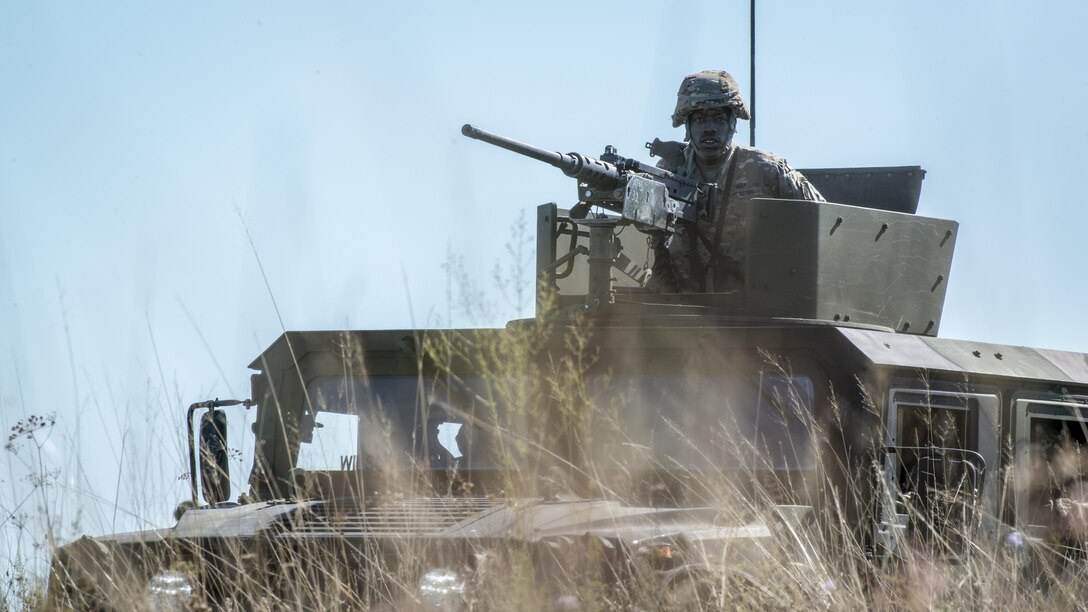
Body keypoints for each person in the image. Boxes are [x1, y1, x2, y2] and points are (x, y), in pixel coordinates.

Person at [649, 70, 825, 293]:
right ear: (688, 126)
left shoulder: (766, 168)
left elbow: (822, 219)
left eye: (719, 119)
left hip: (756, 303)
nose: (709, 128)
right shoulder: (668, 171)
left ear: (733, 122)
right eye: (700, 119)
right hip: (684, 303)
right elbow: (656, 242)